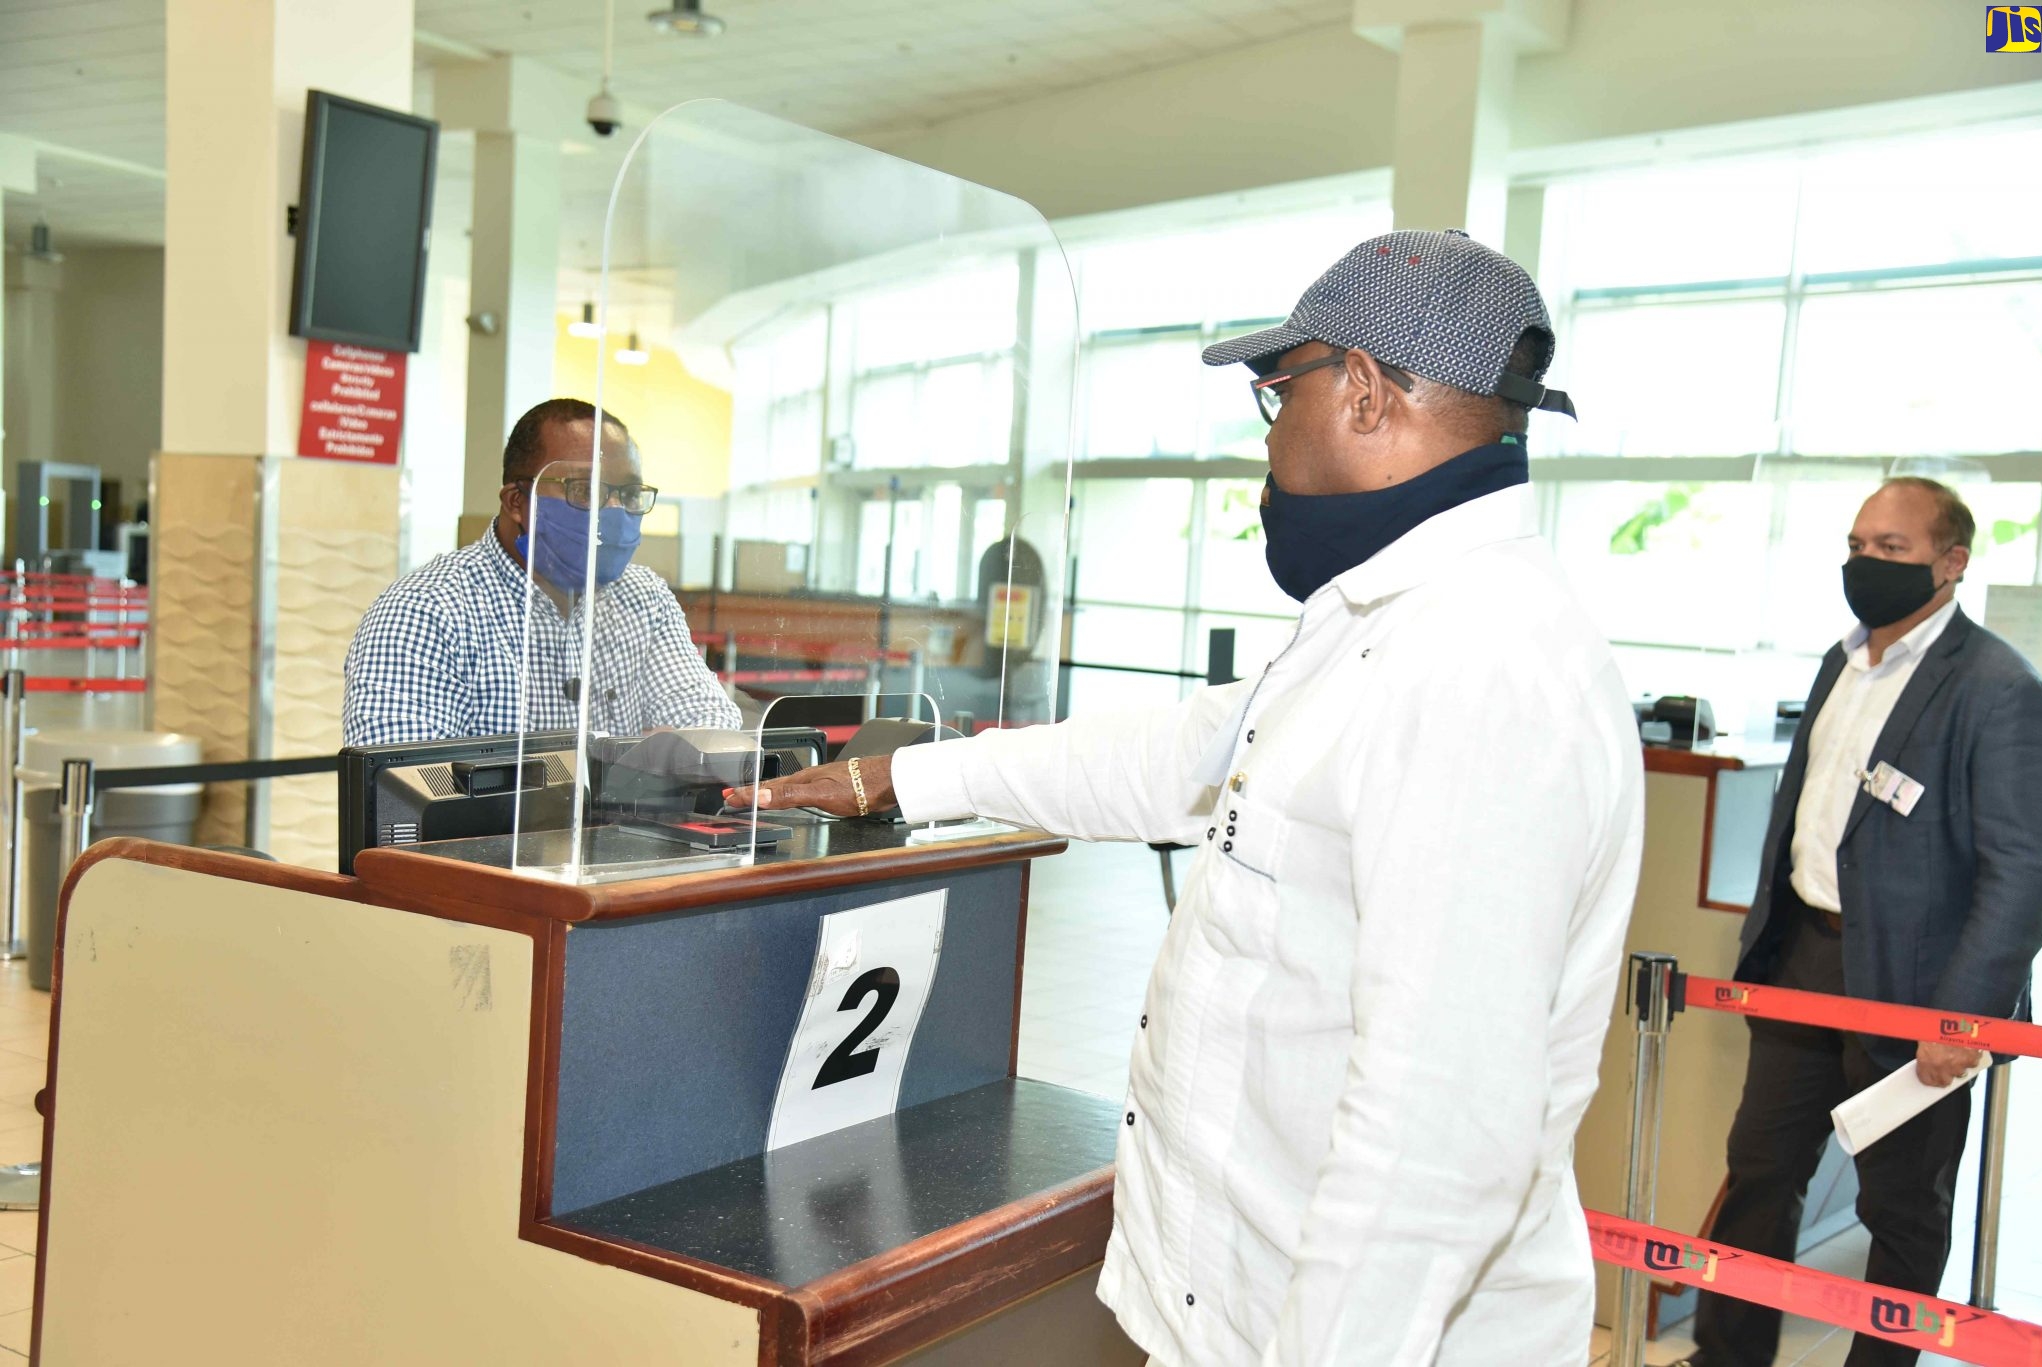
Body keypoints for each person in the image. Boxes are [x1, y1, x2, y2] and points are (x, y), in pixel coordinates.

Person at [731, 230, 1645, 1366]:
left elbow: (1438, 1131)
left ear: (1360, 391)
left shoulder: (1477, 672)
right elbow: (1175, 755)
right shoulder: (1382, 625)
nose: (1270, 438)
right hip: (1239, 1308)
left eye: (1280, 393)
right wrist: (907, 773)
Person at [1679, 478, 2042, 1367]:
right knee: (1760, 1170)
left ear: (1951, 563)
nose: (1865, 564)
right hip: (1806, 959)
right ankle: (1727, 1357)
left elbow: (2023, 866)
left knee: (1901, 1208)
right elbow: (1802, 810)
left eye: (1892, 549)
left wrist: (1961, 1014)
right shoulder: (1839, 661)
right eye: (1856, 544)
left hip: (1919, 990)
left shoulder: (1998, 686)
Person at [342, 398, 739, 747]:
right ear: (518, 502)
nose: (615, 511)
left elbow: (710, 730)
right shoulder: (425, 612)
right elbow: (404, 789)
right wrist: (636, 762)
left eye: (630, 494)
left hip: (631, 834)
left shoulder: (642, 597)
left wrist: (680, 752)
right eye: (585, 491)